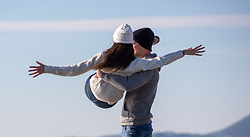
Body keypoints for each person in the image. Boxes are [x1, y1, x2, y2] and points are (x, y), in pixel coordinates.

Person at [29, 23, 204, 110]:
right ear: (131, 43)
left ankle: (98, 76)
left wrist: (46, 68)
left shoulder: (103, 56)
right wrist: (182, 52)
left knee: (90, 75)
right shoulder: (136, 63)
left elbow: (74, 69)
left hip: (95, 95)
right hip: (111, 102)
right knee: (114, 79)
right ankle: (150, 41)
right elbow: (161, 61)